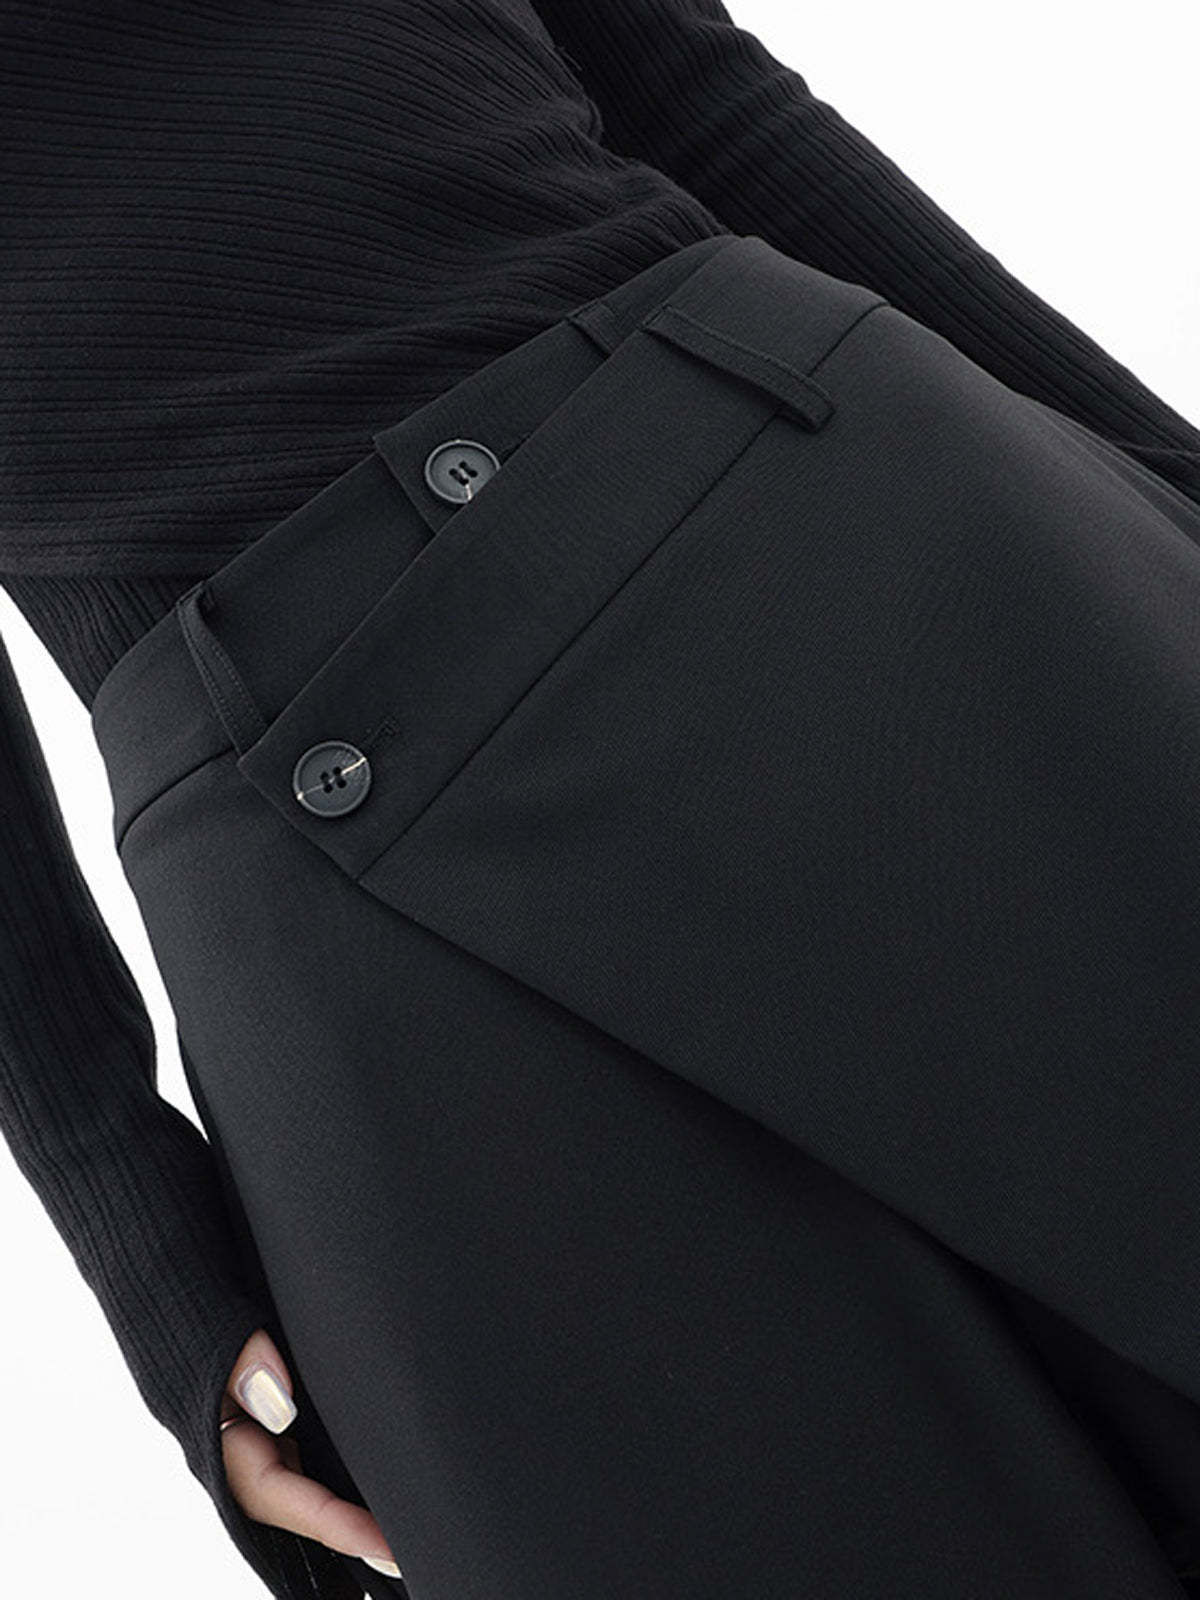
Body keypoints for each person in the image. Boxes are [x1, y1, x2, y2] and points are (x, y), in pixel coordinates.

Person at [3, 4, 1199, 1597]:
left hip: (876, 546)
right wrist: (133, 1223)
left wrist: (1176, 496)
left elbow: (688, 98)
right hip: (372, 950)